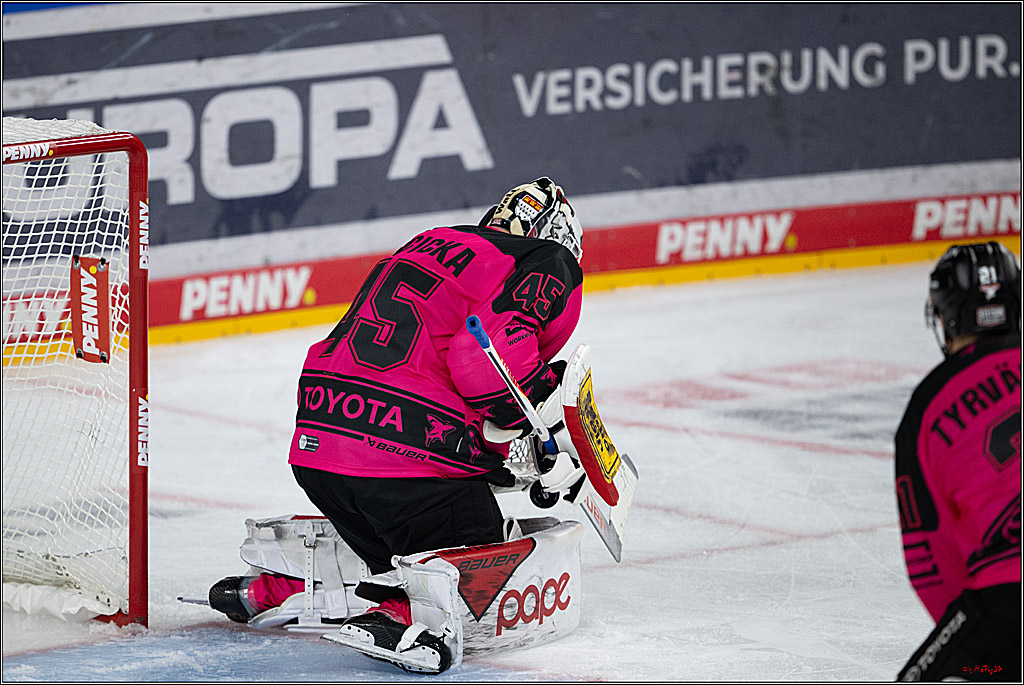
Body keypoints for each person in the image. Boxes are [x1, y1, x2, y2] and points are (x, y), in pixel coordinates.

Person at [209, 178, 586, 667]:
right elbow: (483, 365)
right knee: (477, 554)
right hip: (400, 462)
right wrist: (539, 431)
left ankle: (286, 583)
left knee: (396, 534)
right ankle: (406, 615)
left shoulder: (433, 241)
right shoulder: (545, 260)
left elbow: (429, 359)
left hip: (321, 447)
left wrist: (499, 455)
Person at [894, 241, 1021, 682]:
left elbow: (929, 560)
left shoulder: (927, 407)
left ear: (948, 318)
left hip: (1007, 605)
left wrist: (987, 664)